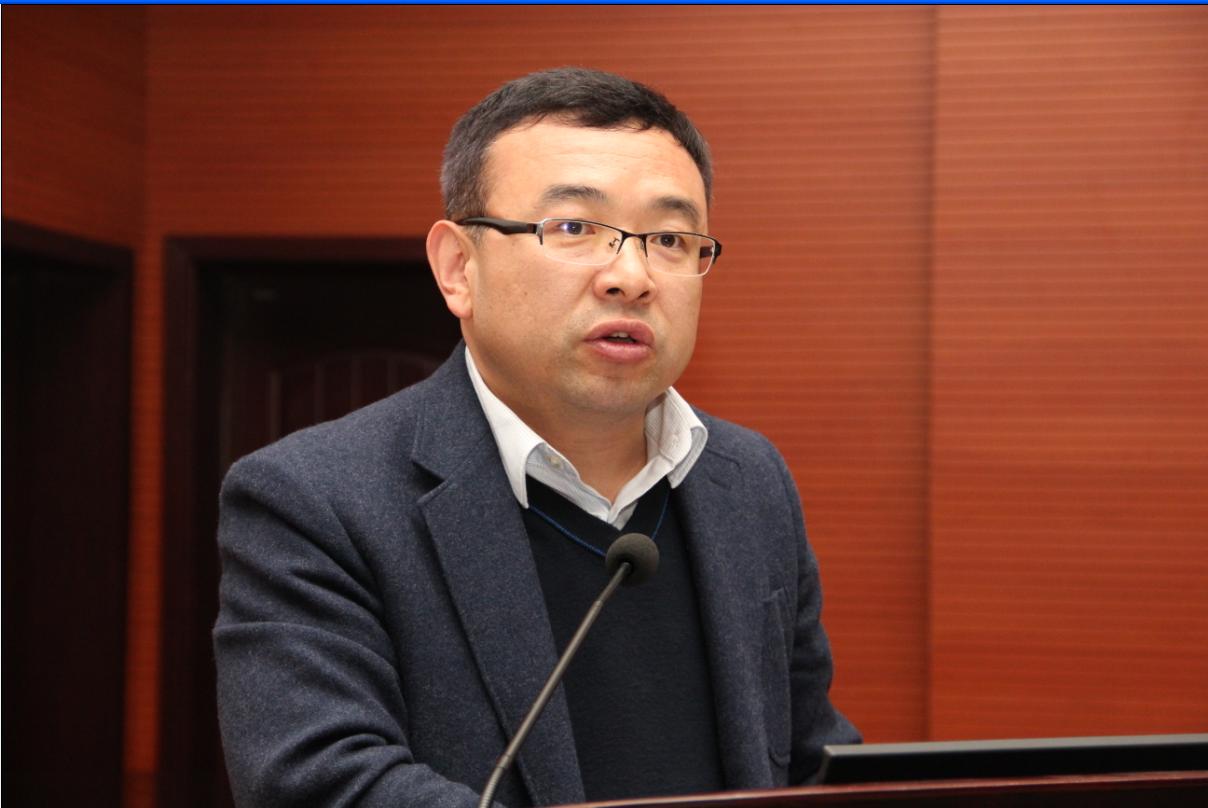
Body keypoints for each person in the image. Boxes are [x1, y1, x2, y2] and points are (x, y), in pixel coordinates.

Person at [214, 67, 859, 808]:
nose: (631, 276)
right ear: (459, 268)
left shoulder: (748, 479)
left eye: (669, 239)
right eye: (574, 228)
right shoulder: (316, 499)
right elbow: (321, 784)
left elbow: (811, 759)